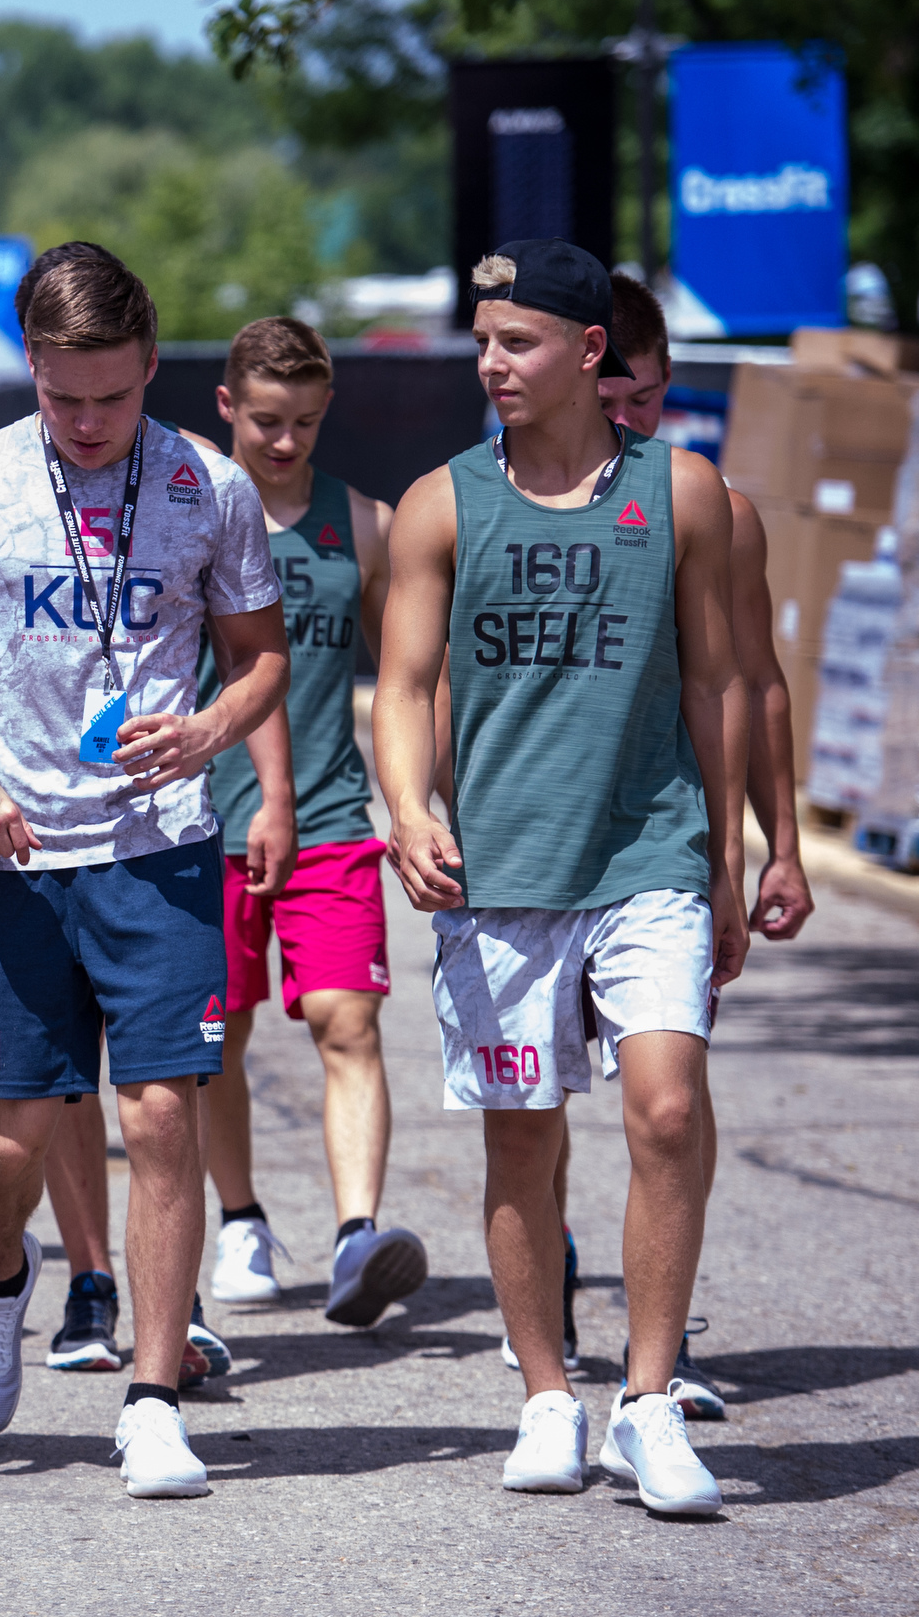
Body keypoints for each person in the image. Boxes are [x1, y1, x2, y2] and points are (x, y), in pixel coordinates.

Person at [0, 242, 289, 1499]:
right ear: (31, 368)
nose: (89, 421)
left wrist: (214, 731)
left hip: (159, 845)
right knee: (6, 1145)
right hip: (12, 850)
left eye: (112, 396)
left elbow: (262, 655)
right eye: (64, 397)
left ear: (152, 365)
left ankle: (154, 1398)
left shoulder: (208, 485)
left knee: (160, 1111)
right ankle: (4, 1274)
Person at [374, 238, 746, 1513]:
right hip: (501, 871)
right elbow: (405, 686)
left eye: (516, 340)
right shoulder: (441, 501)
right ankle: (546, 1392)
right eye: (482, 341)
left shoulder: (681, 491)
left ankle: (646, 1401)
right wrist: (409, 807)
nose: (492, 363)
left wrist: (736, 860)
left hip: (649, 851)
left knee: (665, 1109)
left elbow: (715, 684)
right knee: (523, 1144)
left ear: (591, 353)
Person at [495, 272, 812, 1415]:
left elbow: (753, 688)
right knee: (533, 1112)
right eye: (610, 400)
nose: (622, 424)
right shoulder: (497, 496)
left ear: (663, 388)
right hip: (527, 849)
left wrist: (775, 845)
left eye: (644, 402)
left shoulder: (710, 507)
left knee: (666, 1094)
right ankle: (550, 1280)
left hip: (662, 845)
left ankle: (652, 1356)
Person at [188, 317, 431, 1325]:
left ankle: (353, 1236)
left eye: (307, 422)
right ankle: (240, 1218)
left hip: (329, 812)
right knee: (217, 1035)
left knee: (347, 1020)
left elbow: (413, 684)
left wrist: (426, 804)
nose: (285, 442)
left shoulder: (365, 525)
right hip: (199, 820)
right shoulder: (188, 507)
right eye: (267, 420)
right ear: (228, 408)